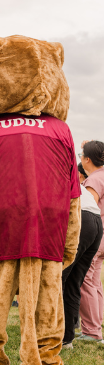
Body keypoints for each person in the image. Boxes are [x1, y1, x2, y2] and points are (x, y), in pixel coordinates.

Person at [61, 163, 104, 349]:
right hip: (95, 220)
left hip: (81, 217)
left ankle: (49, 335)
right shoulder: (68, 178)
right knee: (73, 281)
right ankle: (66, 339)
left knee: (57, 279)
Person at [77, 140, 104, 344]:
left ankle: (92, 331)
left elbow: (90, 210)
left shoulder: (94, 180)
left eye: (81, 155)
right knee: (95, 281)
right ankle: (95, 325)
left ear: (87, 159)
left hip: (97, 236)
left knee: (85, 280)